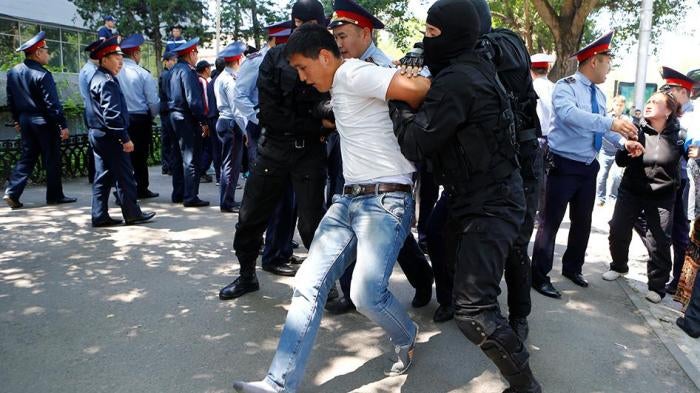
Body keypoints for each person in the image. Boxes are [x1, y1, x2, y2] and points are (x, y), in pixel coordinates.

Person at [232, 22, 431, 393]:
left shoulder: (353, 72)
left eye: (304, 69)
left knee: (366, 294)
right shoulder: (339, 88)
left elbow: (420, 90)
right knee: (308, 283)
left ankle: (406, 334)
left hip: (386, 200)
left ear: (325, 57)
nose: (303, 79)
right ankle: (278, 383)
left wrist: (409, 74)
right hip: (348, 200)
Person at [324, 0, 435, 315]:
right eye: (336, 38)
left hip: (387, 166)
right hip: (356, 161)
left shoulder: (380, 66)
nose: (339, 44)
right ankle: (353, 290)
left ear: (365, 33)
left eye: (344, 36)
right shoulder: (348, 66)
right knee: (364, 227)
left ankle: (421, 276)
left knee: (385, 230)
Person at [219, 0, 330, 300]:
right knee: (252, 215)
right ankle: (245, 275)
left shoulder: (328, 57)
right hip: (275, 150)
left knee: (311, 223)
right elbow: (270, 114)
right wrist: (318, 124)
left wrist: (318, 122)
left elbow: (333, 110)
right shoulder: (274, 58)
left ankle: (327, 284)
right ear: (297, 23)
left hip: (308, 153)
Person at [531, 31, 638, 299]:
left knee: (583, 222)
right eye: (607, 62)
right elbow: (569, 116)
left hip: (588, 167)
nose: (608, 68)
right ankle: (539, 275)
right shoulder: (565, 87)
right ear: (593, 61)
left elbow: (602, 129)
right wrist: (610, 123)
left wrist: (623, 142)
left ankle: (572, 267)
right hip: (563, 165)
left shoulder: (600, 96)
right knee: (550, 222)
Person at [602, 91, 683, 304]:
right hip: (632, 189)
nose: (648, 104)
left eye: (655, 102)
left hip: (662, 195)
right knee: (618, 228)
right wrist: (629, 150)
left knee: (658, 241)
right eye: (648, 100)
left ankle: (657, 286)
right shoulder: (636, 130)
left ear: (668, 111)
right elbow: (620, 161)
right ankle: (619, 266)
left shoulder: (679, 136)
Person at [85, 37, 155, 227]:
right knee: (125, 176)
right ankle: (132, 213)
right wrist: (124, 138)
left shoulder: (99, 77)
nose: (121, 61)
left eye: (121, 57)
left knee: (103, 176)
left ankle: (99, 215)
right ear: (104, 58)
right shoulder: (107, 81)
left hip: (99, 134)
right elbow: (112, 114)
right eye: (117, 57)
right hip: (111, 136)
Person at [4, 31, 77, 209]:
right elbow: (52, 104)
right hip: (44, 122)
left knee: (27, 157)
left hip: (25, 121)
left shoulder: (13, 72)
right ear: (37, 53)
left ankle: (12, 191)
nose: (48, 54)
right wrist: (62, 125)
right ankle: (55, 196)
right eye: (46, 50)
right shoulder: (43, 74)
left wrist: (16, 120)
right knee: (52, 158)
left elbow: (10, 99)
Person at [661, 66, 699, 295]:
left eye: (672, 89)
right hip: (666, 179)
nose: (668, 94)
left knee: (680, 233)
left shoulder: (693, 115)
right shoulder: (670, 112)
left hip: (685, 181)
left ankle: (680, 282)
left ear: (684, 92)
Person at [168, 37, 210, 207]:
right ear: (191, 53)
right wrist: (203, 121)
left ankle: (178, 192)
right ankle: (190, 196)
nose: (197, 56)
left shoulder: (172, 70)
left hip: (173, 116)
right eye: (196, 52)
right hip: (186, 117)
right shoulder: (188, 72)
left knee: (178, 157)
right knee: (191, 157)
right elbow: (193, 100)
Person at [118, 33, 160, 199]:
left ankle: (123, 189)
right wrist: (151, 117)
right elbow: (153, 102)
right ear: (135, 54)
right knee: (140, 156)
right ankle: (141, 188)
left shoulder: (115, 72)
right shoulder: (143, 73)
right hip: (140, 119)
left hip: (121, 118)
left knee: (123, 156)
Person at [213, 42, 247, 213]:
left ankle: (227, 200)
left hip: (224, 122)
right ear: (239, 59)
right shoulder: (231, 81)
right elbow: (237, 110)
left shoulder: (222, 77)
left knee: (228, 163)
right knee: (231, 165)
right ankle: (228, 201)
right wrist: (247, 130)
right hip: (231, 123)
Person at [530, 53, 555, 227]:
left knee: (536, 177)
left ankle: (537, 213)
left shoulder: (534, 86)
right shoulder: (554, 86)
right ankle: (544, 212)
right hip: (551, 137)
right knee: (546, 177)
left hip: (538, 137)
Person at [596, 95, 629, 206]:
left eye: (621, 105)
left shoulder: (627, 120)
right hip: (605, 151)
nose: (619, 107)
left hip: (618, 152)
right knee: (601, 175)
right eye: (617, 104)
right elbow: (604, 133)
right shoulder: (607, 117)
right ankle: (600, 197)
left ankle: (613, 197)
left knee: (616, 176)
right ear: (613, 105)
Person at [79, 39, 102, 184]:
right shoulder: (91, 71)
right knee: (97, 145)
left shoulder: (89, 69)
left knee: (94, 144)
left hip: (91, 110)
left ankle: (94, 175)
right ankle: (95, 175)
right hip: (94, 111)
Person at [195, 59, 215, 184]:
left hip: (200, 118)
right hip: (205, 118)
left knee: (204, 147)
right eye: (209, 68)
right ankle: (201, 171)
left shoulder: (198, 80)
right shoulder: (203, 81)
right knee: (209, 147)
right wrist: (206, 120)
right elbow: (206, 102)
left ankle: (201, 171)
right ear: (206, 69)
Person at [158, 51, 178, 176]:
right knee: (168, 139)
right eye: (172, 60)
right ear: (166, 61)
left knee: (167, 138)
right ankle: (168, 165)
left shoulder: (167, 74)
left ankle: (167, 165)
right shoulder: (166, 75)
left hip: (165, 109)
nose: (174, 63)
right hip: (167, 110)